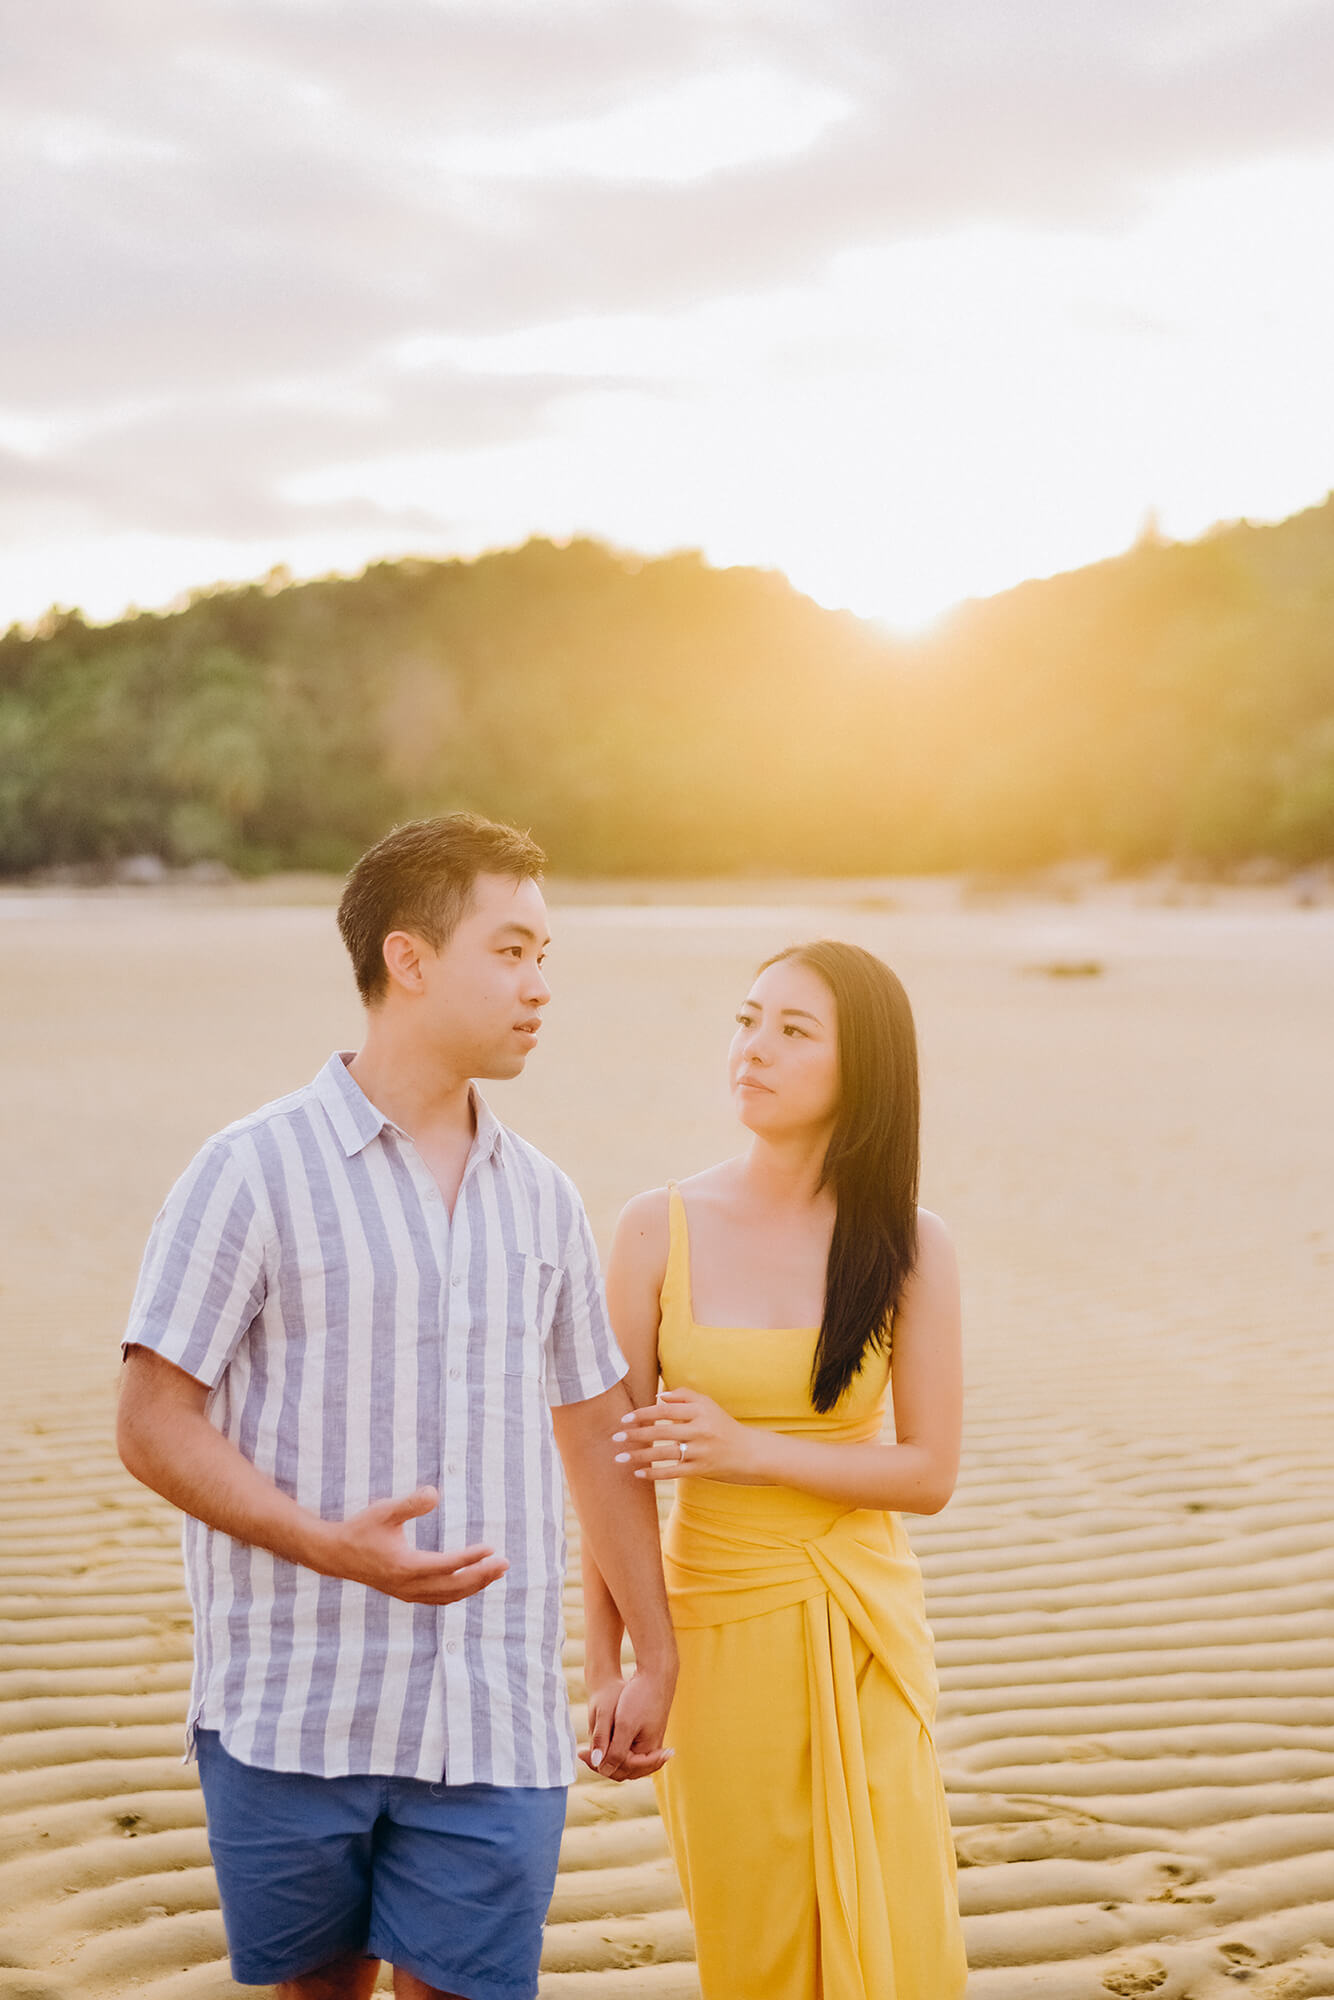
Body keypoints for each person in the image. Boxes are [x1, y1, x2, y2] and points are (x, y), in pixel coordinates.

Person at [117, 812, 677, 2000]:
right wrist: (323, 1544)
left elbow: (593, 1430)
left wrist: (653, 1651)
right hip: (292, 1713)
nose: (539, 986)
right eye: (511, 950)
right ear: (409, 959)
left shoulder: (543, 1199)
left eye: (545, 957)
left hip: (495, 1719)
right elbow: (152, 1418)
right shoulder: (248, 1169)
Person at [582, 939, 968, 1999]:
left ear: (863, 1068)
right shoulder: (652, 1228)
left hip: (861, 1624)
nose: (751, 1049)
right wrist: (608, 1663)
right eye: (745, 1019)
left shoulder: (910, 1245)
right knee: (752, 1945)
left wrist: (747, 1448)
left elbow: (928, 1470)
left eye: (792, 1031)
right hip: (713, 1627)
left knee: (895, 1929)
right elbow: (608, 1476)